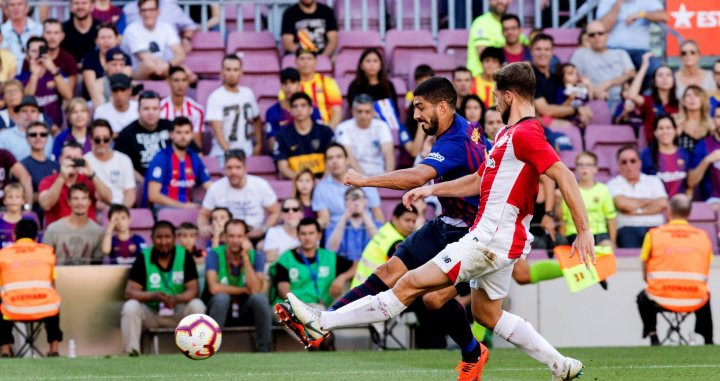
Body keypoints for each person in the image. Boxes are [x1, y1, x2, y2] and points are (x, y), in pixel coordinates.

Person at [281, 62, 592, 381]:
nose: (494, 100)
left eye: (497, 94)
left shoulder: (525, 133)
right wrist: (431, 188)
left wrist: (583, 230)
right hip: (500, 241)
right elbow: (477, 180)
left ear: (509, 96)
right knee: (486, 313)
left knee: (409, 284)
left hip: (486, 240)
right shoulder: (504, 135)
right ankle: (561, 365)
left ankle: (322, 322)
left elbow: (563, 174)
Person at [299, 77, 486, 376]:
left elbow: (417, 177)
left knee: (435, 299)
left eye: (420, 108)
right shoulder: (468, 127)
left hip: (474, 235)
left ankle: (476, 353)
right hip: (446, 223)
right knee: (387, 271)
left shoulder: (456, 140)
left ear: (442, 106)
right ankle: (323, 320)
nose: (415, 116)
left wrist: (364, 179)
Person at [636, 194, 714, 346]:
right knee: (705, 296)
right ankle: (708, 339)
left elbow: (644, 267)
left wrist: (650, 281)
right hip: (694, 298)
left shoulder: (654, 235)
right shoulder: (703, 236)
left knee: (642, 298)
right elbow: (706, 267)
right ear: (689, 213)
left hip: (660, 297)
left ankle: (653, 336)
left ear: (669, 211)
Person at [120, 220, 206, 356]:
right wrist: (153, 296)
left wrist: (176, 298)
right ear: (152, 238)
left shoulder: (184, 255)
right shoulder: (144, 257)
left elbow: (194, 290)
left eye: (167, 237)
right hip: (152, 312)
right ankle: (132, 353)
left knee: (197, 305)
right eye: (159, 237)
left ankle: (196, 351)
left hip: (177, 310)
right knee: (131, 307)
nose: (163, 241)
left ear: (174, 238)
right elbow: (129, 292)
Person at [204, 219, 272, 352]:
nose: (235, 240)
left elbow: (255, 290)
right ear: (224, 237)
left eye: (239, 236)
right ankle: (210, 349)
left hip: (245, 309)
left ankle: (264, 350)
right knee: (221, 298)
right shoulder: (214, 254)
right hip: (220, 309)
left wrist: (245, 258)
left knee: (260, 299)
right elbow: (214, 288)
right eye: (231, 236)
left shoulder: (256, 256)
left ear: (246, 237)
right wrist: (243, 290)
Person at [0, 219, 62, 358]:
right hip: (45, 309)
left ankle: (5, 349)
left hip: (13, 310)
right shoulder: (47, 252)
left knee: (2, 304)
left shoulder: (3, 254)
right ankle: (54, 348)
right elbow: (52, 284)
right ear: (36, 237)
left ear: (15, 236)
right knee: (54, 299)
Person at [271, 218, 355, 309]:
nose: (307, 238)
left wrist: (342, 277)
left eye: (311, 233)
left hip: (319, 308)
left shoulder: (329, 257)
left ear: (319, 235)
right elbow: (283, 289)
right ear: (298, 235)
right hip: (291, 307)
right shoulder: (286, 258)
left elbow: (357, 265)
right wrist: (300, 307)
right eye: (303, 234)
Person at [198, 149, 280, 240]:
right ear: (224, 169)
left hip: (254, 236)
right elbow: (203, 214)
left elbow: (275, 212)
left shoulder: (260, 185)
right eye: (229, 168)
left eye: (238, 167)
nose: (233, 172)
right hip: (226, 238)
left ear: (245, 168)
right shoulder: (216, 187)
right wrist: (204, 227)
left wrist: (263, 229)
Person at [312, 143, 384, 231]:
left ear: (347, 160)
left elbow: (377, 214)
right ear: (326, 163)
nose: (334, 161)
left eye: (339, 157)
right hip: (338, 235)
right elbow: (325, 221)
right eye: (330, 158)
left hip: (366, 232)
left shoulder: (365, 182)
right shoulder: (321, 188)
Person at [38, 141, 113, 226]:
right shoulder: (48, 181)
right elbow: (45, 205)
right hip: (58, 234)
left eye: (76, 158)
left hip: (87, 234)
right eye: (68, 158)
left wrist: (92, 174)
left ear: (82, 159)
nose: (72, 162)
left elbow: (108, 199)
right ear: (60, 159)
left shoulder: (89, 180)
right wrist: (62, 178)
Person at [607, 145, 668, 248]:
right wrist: (650, 201)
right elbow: (623, 205)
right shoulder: (613, 184)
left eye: (633, 161)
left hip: (656, 227)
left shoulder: (654, 180)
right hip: (627, 229)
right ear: (618, 165)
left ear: (639, 163)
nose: (629, 165)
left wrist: (635, 210)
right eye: (624, 162)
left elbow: (662, 203)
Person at [145, 117, 211, 209]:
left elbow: (210, 187)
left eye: (187, 132)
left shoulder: (194, 158)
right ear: (171, 135)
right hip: (163, 209)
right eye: (179, 132)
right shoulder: (161, 157)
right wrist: (182, 206)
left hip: (187, 208)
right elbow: (153, 195)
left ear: (192, 135)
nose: (183, 137)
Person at [596, 0, 665, 88]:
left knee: (656, 69)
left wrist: (641, 14)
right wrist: (618, 4)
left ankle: (643, 96)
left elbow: (664, 16)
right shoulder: (607, 2)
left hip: (640, 51)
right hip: (613, 50)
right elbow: (603, 27)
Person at [206, 54, 263, 160]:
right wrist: (230, 154)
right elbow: (217, 130)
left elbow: (257, 120)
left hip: (247, 151)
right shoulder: (215, 97)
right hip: (222, 154)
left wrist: (259, 144)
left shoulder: (248, 93)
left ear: (241, 72)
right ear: (222, 72)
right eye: (228, 69)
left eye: (236, 69)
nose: (232, 74)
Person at [570, 21, 636, 111]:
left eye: (600, 33)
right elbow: (572, 79)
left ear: (607, 35)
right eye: (592, 35)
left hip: (623, 99)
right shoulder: (580, 54)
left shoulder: (620, 53)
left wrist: (607, 83)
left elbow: (631, 74)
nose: (596, 37)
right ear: (587, 38)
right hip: (593, 100)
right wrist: (593, 90)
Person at [531, 34, 593, 127]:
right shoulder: (529, 77)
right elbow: (545, 110)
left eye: (546, 49)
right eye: (538, 49)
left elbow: (568, 100)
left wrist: (582, 108)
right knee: (568, 126)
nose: (542, 53)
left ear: (552, 52)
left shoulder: (557, 76)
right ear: (531, 51)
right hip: (539, 124)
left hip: (561, 119)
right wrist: (576, 109)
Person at [351, 203, 418, 287]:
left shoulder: (386, 229)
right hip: (370, 293)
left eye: (414, 221)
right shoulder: (395, 242)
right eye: (407, 220)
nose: (411, 225)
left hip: (359, 287)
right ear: (394, 218)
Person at [560, 151, 617, 247]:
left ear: (595, 169)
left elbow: (611, 218)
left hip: (599, 232)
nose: (584, 168)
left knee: (607, 246)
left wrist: (613, 242)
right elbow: (563, 220)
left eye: (588, 165)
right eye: (580, 164)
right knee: (582, 248)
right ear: (576, 169)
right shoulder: (569, 190)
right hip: (575, 232)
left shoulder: (603, 190)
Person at [274, 92, 335, 179]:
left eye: (303, 105)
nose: (299, 109)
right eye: (295, 106)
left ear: (311, 109)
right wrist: (303, 181)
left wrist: (322, 183)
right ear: (290, 111)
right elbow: (283, 167)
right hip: (297, 184)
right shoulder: (282, 135)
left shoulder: (325, 132)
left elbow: (333, 160)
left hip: (323, 182)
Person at [114, 90, 173, 179]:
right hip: (140, 183)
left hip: (172, 180)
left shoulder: (172, 127)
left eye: (155, 108)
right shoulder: (127, 133)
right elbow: (120, 163)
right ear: (138, 110)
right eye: (146, 108)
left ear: (160, 110)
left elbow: (192, 153)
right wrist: (144, 184)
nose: (151, 113)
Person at [122, 0, 188, 80]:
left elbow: (180, 53)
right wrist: (166, 65)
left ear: (158, 11)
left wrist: (168, 64)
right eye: (144, 10)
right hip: (137, 72)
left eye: (151, 10)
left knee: (186, 73)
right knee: (149, 65)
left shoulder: (166, 27)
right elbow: (145, 58)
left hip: (162, 67)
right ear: (139, 13)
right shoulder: (132, 29)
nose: (147, 14)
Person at [42, 183, 105, 265]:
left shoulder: (98, 232)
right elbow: (45, 261)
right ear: (69, 202)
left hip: (88, 277)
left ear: (89, 202)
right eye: (75, 198)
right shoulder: (53, 229)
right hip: (60, 277)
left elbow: (98, 266)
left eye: (84, 198)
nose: (80, 203)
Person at [17, 36, 73, 125]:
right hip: (29, 128)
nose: (38, 54)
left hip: (55, 128)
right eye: (34, 51)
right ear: (27, 56)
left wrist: (53, 69)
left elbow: (68, 96)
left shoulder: (56, 74)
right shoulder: (20, 79)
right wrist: (34, 75)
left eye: (41, 50)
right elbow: (26, 102)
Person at [335, 94, 395, 176]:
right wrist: (364, 181)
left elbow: (388, 153)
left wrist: (388, 178)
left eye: (367, 112)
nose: (363, 116)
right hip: (352, 176)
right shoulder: (343, 128)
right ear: (353, 112)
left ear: (373, 112)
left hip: (379, 174)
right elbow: (348, 157)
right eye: (359, 111)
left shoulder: (382, 126)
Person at [626, 53, 680, 144]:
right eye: (660, 75)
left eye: (668, 75)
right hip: (653, 148)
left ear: (673, 81)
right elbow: (632, 95)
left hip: (674, 147)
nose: (664, 78)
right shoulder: (648, 101)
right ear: (654, 82)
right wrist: (644, 67)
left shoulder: (679, 104)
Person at [265, 68, 322, 151]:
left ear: (299, 85)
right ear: (281, 86)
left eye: (292, 82)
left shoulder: (311, 109)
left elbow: (319, 134)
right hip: (284, 155)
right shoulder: (272, 112)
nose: (289, 87)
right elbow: (272, 144)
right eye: (285, 83)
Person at [84, 119, 137, 208]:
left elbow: (130, 193)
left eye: (106, 139)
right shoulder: (85, 161)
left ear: (111, 139)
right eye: (97, 140)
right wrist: (108, 210)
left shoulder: (124, 159)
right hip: (96, 209)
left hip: (121, 208)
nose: (102, 143)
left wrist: (122, 210)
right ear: (91, 140)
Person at [326, 187, 380, 262]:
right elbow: (331, 249)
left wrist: (363, 214)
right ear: (345, 203)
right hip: (343, 267)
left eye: (359, 198)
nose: (356, 202)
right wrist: (344, 218)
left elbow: (380, 244)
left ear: (366, 201)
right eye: (352, 199)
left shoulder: (376, 225)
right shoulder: (334, 225)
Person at [640, 116, 690, 197]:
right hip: (656, 204)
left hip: (680, 205)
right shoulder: (646, 155)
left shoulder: (684, 153)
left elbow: (689, 185)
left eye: (668, 128)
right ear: (655, 132)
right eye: (661, 128)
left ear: (675, 130)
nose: (665, 131)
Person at [82, 23, 130, 105]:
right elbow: (92, 88)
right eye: (102, 38)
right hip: (93, 100)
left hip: (119, 100)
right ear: (96, 41)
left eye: (110, 37)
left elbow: (124, 82)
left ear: (117, 39)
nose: (106, 41)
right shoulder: (89, 58)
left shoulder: (125, 57)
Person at [346, 48, 399, 122]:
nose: (372, 64)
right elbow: (355, 110)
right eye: (368, 61)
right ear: (361, 65)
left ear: (380, 65)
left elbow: (395, 111)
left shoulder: (389, 86)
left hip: (385, 125)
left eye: (375, 61)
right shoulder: (354, 86)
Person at [294, 49, 342, 128]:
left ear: (316, 62)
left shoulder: (327, 82)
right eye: (302, 58)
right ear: (296, 62)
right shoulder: (290, 85)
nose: (305, 62)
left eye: (309, 59)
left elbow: (337, 111)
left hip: (325, 127)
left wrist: (328, 132)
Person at [160, 66, 204, 148]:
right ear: (169, 82)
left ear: (187, 82)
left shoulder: (197, 110)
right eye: (176, 80)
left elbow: (197, 143)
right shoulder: (159, 109)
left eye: (183, 80)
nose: (180, 84)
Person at [0, 95, 54, 161]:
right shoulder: (4, 137)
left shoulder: (47, 137)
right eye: (24, 111)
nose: (29, 114)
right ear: (17, 114)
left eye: (33, 111)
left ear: (38, 115)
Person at [466, 0, 510, 77]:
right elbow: (485, 56)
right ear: (489, 1)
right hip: (478, 78)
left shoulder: (510, 24)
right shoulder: (481, 22)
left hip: (499, 79)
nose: (500, 1)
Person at [20, 121, 57, 213]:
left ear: (47, 138)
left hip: (55, 215)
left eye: (43, 134)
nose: (38, 137)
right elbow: (17, 196)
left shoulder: (57, 165)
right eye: (33, 134)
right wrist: (46, 195)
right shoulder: (21, 166)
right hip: (32, 216)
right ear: (27, 139)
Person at [688, 105, 720, 204]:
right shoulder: (703, 145)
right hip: (713, 201)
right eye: (719, 117)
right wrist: (707, 160)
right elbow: (691, 182)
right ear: (713, 120)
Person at [0, 0, 43, 72]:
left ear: (27, 8)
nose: (16, 8)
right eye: (12, 5)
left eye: (20, 4)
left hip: (34, 73)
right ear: (6, 10)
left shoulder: (39, 29)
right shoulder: (1, 31)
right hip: (8, 76)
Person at [41, 19, 79, 92]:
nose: (52, 37)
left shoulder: (69, 60)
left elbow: (69, 95)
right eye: (48, 33)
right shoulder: (34, 57)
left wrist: (53, 70)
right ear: (43, 35)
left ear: (62, 36)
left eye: (56, 33)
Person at [263, 198, 302, 263]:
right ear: (282, 214)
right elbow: (270, 259)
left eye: (295, 209)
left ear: (301, 214)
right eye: (286, 210)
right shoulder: (273, 232)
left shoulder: (309, 231)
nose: (290, 212)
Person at [0, 183, 37, 248]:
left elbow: (37, 242)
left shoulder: (29, 221)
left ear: (23, 200)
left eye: (17, 197)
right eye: (10, 197)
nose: (14, 200)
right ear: (4, 200)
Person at [675, 86, 711, 153]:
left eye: (697, 95)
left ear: (703, 100)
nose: (692, 98)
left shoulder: (711, 125)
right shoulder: (676, 123)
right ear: (683, 101)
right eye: (688, 95)